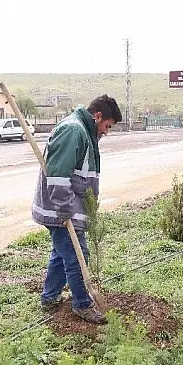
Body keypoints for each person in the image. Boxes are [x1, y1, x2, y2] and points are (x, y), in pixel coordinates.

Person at [33, 94, 122, 324]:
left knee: (62, 253)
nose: (106, 131)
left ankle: (49, 298)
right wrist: (64, 210)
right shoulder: (74, 131)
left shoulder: (84, 131)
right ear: (98, 116)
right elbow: (59, 175)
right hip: (61, 210)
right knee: (76, 255)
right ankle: (82, 303)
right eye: (107, 126)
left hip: (67, 209)